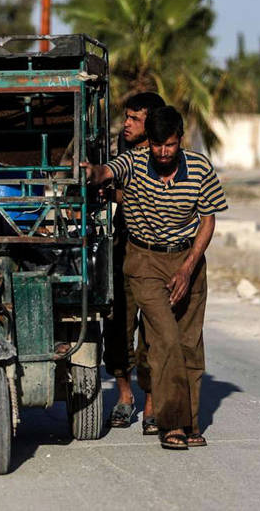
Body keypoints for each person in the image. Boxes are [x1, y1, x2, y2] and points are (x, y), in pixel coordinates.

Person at [83, 106, 227, 450]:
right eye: (158, 145)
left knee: (190, 346)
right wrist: (94, 173)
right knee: (165, 338)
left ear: (181, 141)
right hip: (144, 260)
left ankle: (190, 423)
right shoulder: (134, 162)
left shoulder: (200, 168)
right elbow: (108, 171)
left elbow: (207, 220)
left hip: (187, 258)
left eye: (171, 146)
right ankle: (171, 424)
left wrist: (187, 268)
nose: (163, 153)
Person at [105, 92, 165, 433]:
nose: (126, 124)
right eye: (126, 117)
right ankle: (125, 397)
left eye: (135, 119)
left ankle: (153, 405)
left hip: (159, 253)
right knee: (118, 326)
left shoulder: (165, 152)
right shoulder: (123, 146)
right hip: (123, 244)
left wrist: (123, 193)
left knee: (155, 330)